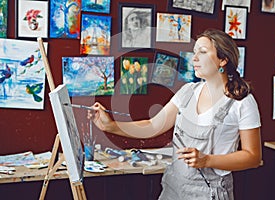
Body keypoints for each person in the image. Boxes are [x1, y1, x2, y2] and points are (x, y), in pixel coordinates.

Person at [88, 28, 262, 200]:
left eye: (202, 52)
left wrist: (208, 160)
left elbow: (253, 157)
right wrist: (110, 126)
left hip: (210, 192)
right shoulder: (187, 91)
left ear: (223, 60)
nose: (194, 58)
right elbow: (152, 125)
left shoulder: (242, 102)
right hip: (173, 189)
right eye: (194, 52)